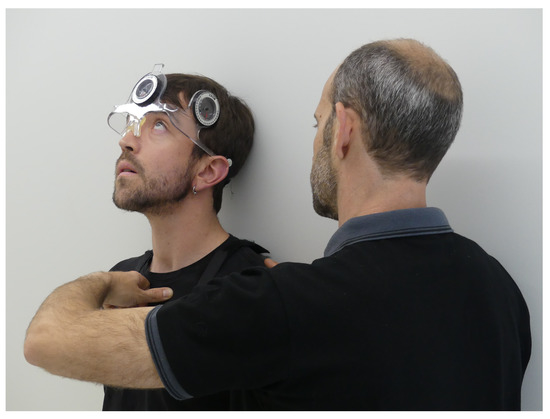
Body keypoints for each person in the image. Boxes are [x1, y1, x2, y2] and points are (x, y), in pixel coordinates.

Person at [25, 39, 531, 410]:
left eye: (318, 123)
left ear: (343, 130)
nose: (128, 140)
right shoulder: (501, 293)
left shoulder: (283, 302)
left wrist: (97, 285)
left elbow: (46, 342)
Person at [92, 64, 269, 410]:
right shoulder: (122, 281)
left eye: (159, 125)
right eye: (133, 123)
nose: (126, 140)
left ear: (208, 171)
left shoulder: (248, 287)